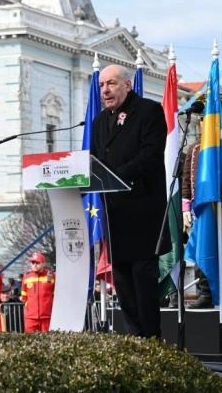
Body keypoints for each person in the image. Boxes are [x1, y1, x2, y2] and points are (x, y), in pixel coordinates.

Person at [90, 64, 168, 338]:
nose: (105, 90)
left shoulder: (148, 111)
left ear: (127, 84)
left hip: (143, 212)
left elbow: (150, 155)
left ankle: (152, 341)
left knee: (142, 279)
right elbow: (95, 160)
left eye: (111, 83)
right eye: (101, 85)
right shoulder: (100, 121)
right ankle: (136, 339)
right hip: (115, 214)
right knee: (122, 281)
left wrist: (115, 177)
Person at [181, 95, 222, 309]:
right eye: (203, 119)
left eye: (210, 118)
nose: (205, 123)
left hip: (220, 208)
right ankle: (205, 292)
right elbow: (187, 180)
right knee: (200, 251)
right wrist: (186, 207)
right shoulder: (194, 149)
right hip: (199, 210)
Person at [20, 252, 55, 332]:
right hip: (30, 318)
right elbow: (24, 297)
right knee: (29, 341)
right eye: (33, 263)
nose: (34, 265)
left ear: (43, 263)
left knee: (47, 341)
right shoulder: (26, 278)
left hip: (47, 317)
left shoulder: (52, 277)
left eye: (37, 263)